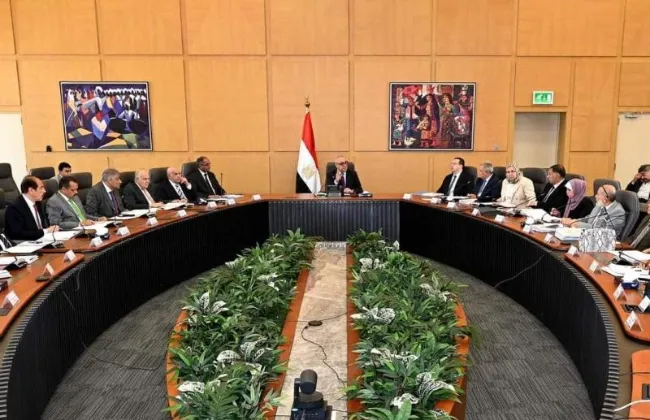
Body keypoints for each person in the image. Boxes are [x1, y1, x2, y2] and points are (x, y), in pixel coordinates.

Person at [4, 176, 59, 241]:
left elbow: (41, 227)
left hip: (42, 240)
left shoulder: (38, 203)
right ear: (31, 190)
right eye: (41, 188)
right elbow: (17, 234)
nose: (44, 191)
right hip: (25, 243)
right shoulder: (14, 208)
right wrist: (46, 231)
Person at [561, 184, 626, 238]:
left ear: (605, 199)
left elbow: (602, 231)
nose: (595, 196)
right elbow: (588, 218)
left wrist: (577, 224)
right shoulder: (600, 204)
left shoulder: (618, 212)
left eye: (598, 194)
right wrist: (573, 221)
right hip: (589, 236)